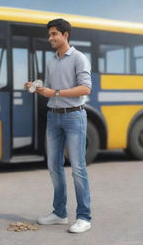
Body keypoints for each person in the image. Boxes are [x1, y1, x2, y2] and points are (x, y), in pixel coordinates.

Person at [25, 18, 92, 233]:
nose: (50, 38)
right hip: (53, 117)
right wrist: (37, 87)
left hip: (74, 117)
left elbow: (85, 89)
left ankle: (84, 217)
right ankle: (59, 213)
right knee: (54, 167)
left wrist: (54, 93)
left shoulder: (79, 58)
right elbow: (52, 88)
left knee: (78, 169)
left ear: (65, 35)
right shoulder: (51, 61)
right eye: (49, 35)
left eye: (54, 34)